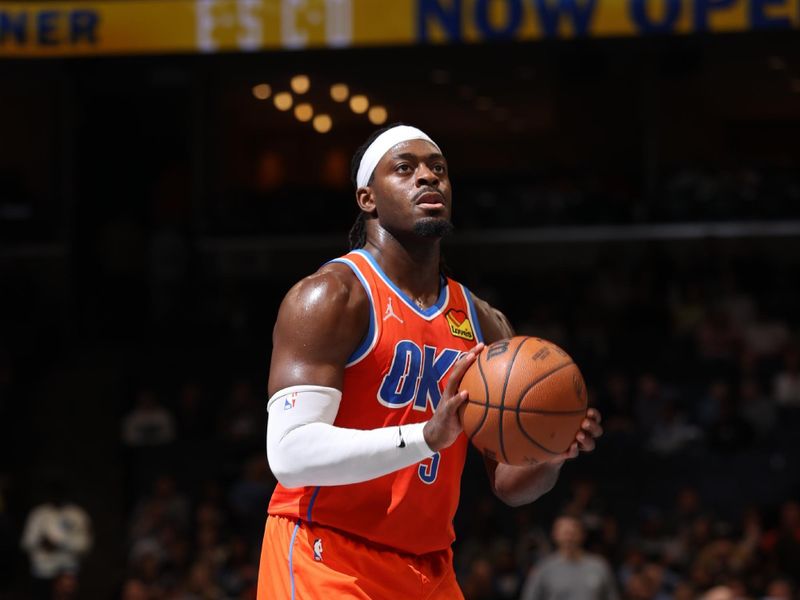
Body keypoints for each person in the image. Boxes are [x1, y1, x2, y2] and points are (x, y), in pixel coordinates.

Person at [257, 124, 604, 598]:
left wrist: (550, 450)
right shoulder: (332, 296)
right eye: (405, 169)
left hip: (427, 565)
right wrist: (426, 437)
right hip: (327, 552)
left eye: (438, 169)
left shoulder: (483, 320)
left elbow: (508, 484)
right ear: (367, 199)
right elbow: (290, 455)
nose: (427, 178)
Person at [520, 515, 619, 600]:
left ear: (582, 534)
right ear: (555, 535)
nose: (569, 537)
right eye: (565, 533)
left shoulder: (599, 566)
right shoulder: (543, 568)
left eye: (573, 532)